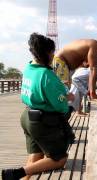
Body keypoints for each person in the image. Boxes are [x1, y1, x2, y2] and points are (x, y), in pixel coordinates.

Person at [1, 33, 74, 180]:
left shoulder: (28, 68)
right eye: (52, 53)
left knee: (36, 157)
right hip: (42, 122)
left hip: (27, 117)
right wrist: (67, 98)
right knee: (59, 158)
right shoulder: (47, 74)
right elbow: (60, 105)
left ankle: (17, 176)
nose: (53, 56)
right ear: (47, 53)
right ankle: (17, 173)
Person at [52, 33, 97, 99]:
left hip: (62, 63)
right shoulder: (95, 46)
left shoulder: (91, 44)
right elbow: (93, 70)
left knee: (64, 89)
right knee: (62, 90)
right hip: (61, 62)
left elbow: (85, 65)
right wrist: (92, 93)